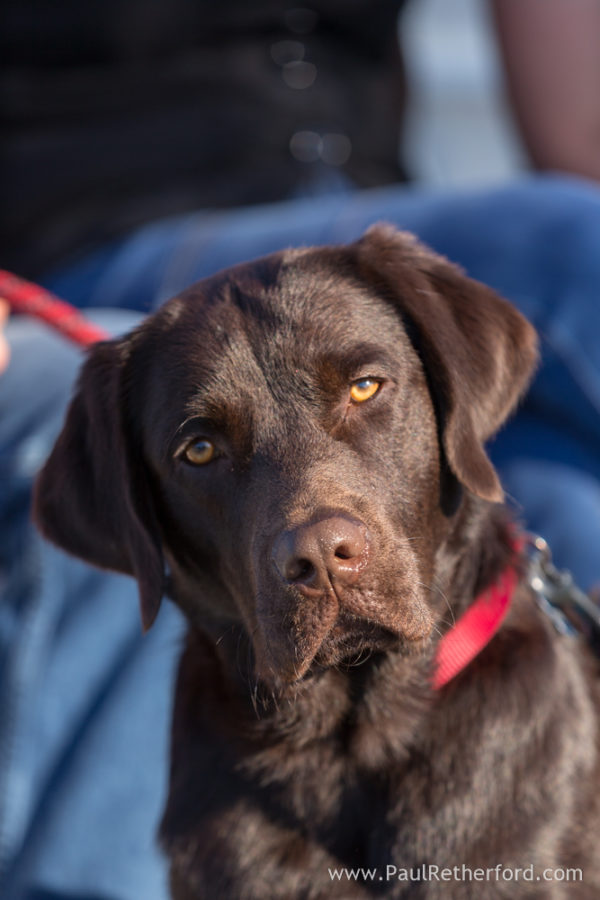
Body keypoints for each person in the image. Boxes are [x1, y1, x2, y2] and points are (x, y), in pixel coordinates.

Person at [2, 3, 600, 899]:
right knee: (567, 246)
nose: (319, 544)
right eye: (201, 452)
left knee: (567, 435)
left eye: (367, 391)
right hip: (94, 240)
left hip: (358, 226)